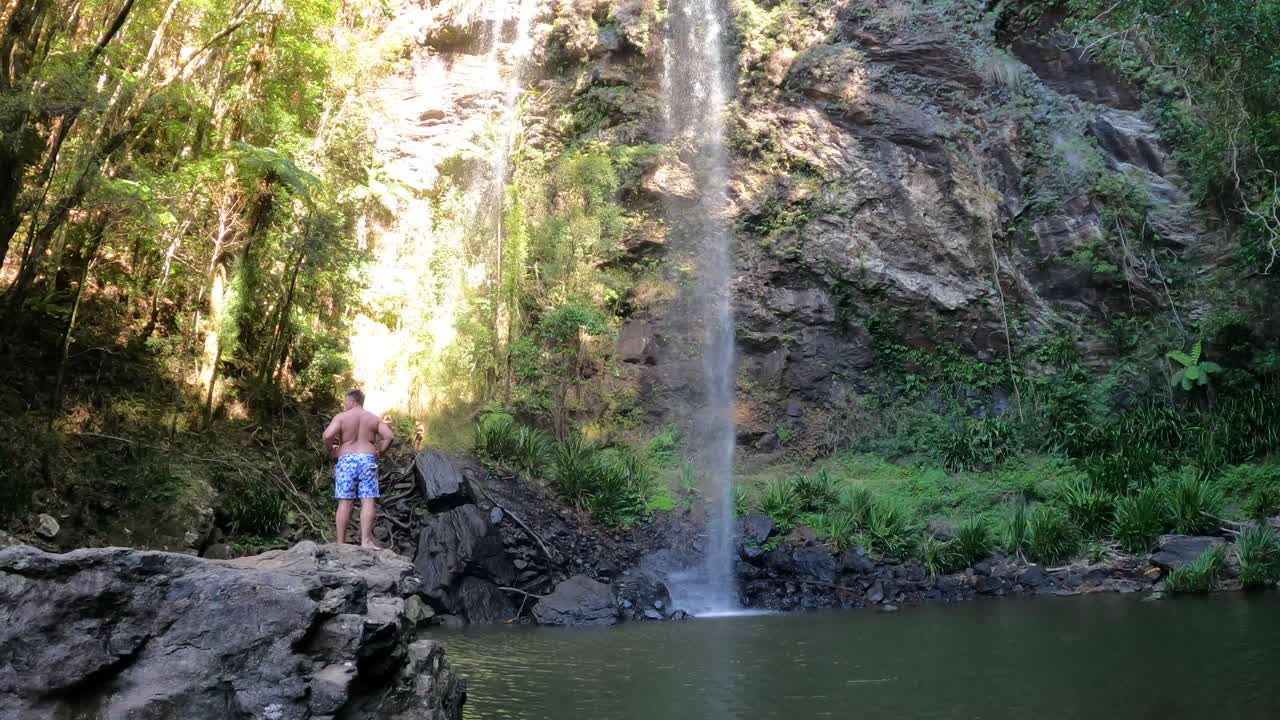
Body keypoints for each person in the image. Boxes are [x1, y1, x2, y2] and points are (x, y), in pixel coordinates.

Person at [322, 389, 394, 548]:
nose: (344, 404)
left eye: (345, 401)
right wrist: (380, 451)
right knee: (368, 501)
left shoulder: (341, 417)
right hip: (367, 460)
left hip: (346, 460)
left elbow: (327, 436)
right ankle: (366, 541)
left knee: (345, 502)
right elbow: (389, 436)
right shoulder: (373, 418)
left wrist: (332, 450)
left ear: (352, 401)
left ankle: (341, 543)